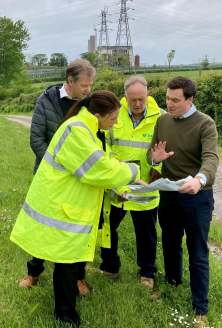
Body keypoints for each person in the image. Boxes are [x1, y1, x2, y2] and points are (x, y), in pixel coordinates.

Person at [10, 91, 143, 327]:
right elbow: (98, 170)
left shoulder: (85, 127)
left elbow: (100, 162)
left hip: (65, 205)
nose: (115, 123)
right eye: (112, 119)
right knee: (67, 262)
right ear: (97, 115)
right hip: (61, 208)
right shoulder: (77, 130)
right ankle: (65, 315)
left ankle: (65, 309)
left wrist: (120, 177)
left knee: (67, 262)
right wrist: (133, 171)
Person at [147, 76, 219, 327]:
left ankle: (200, 308)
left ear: (190, 99)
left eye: (175, 100)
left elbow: (211, 159)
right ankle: (173, 286)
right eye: (167, 98)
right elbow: (151, 154)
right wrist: (155, 159)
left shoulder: (205, 124)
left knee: (197, 252)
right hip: (169, 193)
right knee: (169, 244)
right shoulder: (162, 120)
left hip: (197, 196)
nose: (169, 104)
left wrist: (199, 180)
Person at [20, 59, 94, 294]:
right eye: (84, 85)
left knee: (76, 228)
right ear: (70, 81)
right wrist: (57, 170)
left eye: (91, 85)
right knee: (46, 225)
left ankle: (78, 276)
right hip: (49, 177)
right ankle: (34, 271)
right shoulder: (46, 101)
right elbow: (36, 140)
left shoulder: (88, 104)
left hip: (79, 180)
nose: (88, 90)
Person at [99, 75, 164, 292]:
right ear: (125, 97)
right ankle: (109, 266)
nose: (137, 104)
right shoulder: (114, 115)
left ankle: (147, 273)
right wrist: (113, 167)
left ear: (148, 95)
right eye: (132, 100)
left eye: (141, 100)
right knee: (108, 226)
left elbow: (166, 152)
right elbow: (104, 147)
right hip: (117, 184)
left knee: (146, 233)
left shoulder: (161, 118)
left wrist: (158, 167)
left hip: (145, 185)